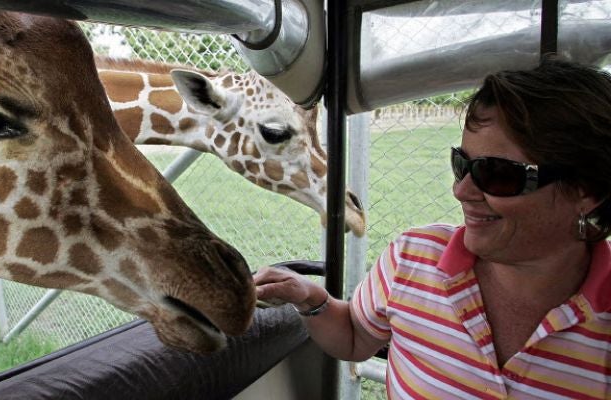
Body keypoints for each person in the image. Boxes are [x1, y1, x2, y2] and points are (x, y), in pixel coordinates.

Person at [253, 57, 611, 399]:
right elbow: (353, 335)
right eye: (463, 164)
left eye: (497, 174)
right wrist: (310, 299)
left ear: (587, 190)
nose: (462, 190)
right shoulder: (413, 257)